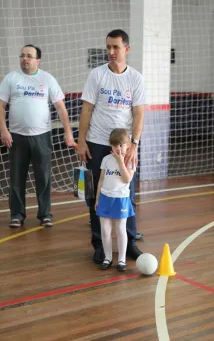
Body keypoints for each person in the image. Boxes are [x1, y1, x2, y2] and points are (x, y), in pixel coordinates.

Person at [77, 29, 146, 264]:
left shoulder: (136, 78)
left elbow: (138, 114)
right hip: (97, 142)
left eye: (115, 47)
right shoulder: (96, 75)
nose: (111, 52)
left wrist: (134, 144)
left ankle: (130, 241)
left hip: (125, 146)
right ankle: (99, 244)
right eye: (108, 47)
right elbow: (86, 110)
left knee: (128, 191)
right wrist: (81, 141)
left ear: (126, 49)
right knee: (96, 192)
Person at [0, 44, 74, 228]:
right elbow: (0, 106)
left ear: (37, 60)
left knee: (44, 177)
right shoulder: (11, 78)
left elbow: (61, 108)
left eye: (29, 56)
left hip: (42, 137)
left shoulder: (47, 79)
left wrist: (68, 132)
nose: (25, 59)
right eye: (22, 55)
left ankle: (45, 214)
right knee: (17, 178)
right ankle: (17, 214)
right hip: (16, 136)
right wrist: (3, 130)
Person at [96, 128, 135, 271]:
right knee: (105, 230)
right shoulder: (106, 159)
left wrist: (120, 162)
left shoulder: (130, 160)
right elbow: (101, 180)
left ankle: (121, 260)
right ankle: (107, 257)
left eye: (121, 145)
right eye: (114, 145)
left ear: (128, 146)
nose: (118, 148)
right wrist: (97, 198)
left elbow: (126, 179)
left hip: (121, 200)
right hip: (106, 198)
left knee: (120, 229)